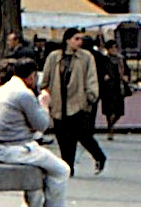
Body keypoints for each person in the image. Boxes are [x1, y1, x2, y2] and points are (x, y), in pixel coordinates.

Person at [0, 59, 87, 207]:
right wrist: (44, 104)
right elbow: (42, 125)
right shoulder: (23, 94)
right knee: (61, 169)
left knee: (40, 164)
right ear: (32, 76)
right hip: (14, 148)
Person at [40, 28, 106, 176]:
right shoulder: (54, 57)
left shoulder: (86, 57)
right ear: (67, 40)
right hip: (58, 102)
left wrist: (91, 96)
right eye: (76, 39)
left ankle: (99, 156)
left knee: (81, 134)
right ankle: (68, 166)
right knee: (62, 136)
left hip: (78, 102)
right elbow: (46, 78)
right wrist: (44, 92)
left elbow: (91, 78)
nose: (79, 42)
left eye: (81, 39)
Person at [96, 39, 129, 140]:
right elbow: (99, 71)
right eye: (113, 48)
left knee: (118, 111)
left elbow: (127, 70)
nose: (115, 50)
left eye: (116, 48)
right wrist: (103, 76)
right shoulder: (104, 60)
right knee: (109, 110)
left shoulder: (121, 60)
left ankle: (111, 125)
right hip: (108, 88)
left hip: (119, 87)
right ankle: (110, 128)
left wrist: (126, 77)